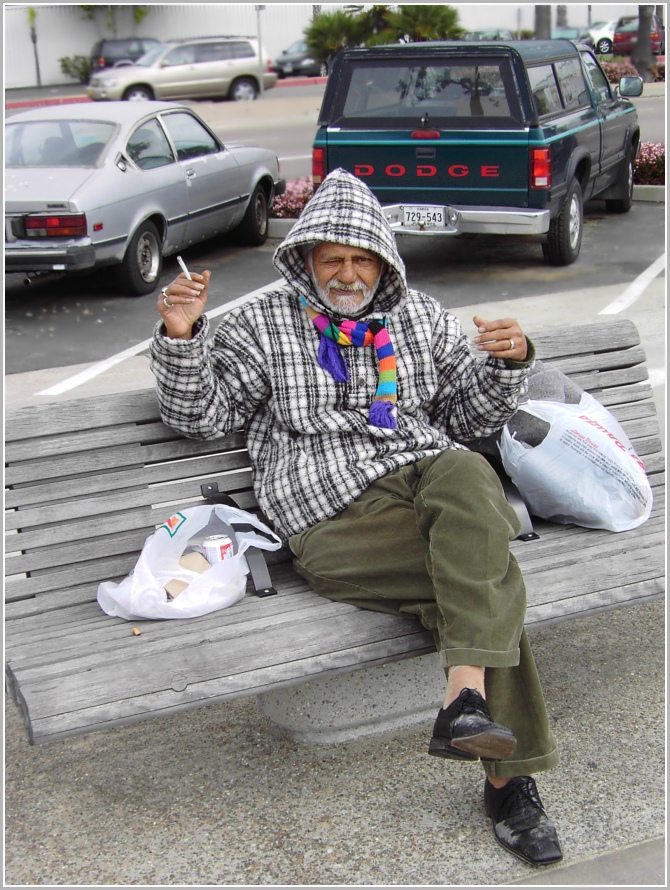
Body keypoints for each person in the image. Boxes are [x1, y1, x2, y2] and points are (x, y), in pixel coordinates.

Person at [150, 168, 562, 866]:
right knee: (486, 579)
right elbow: (200, 419)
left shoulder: (420, 319)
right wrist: (183, 337)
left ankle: (467, 702)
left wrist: (507, 365)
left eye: (361, 257)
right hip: (330, 515)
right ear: (305, 258)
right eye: (332, 257)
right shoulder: (260, 324)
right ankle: (507, 784)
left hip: (426, 484)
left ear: (383, 261)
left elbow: (464, 419)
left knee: (466, 471)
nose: (347, 272)